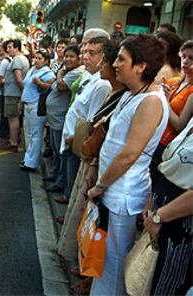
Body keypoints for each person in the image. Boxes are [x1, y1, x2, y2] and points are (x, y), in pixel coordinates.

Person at [86, 34, 168, 295]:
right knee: (105, 259)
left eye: (122, 59)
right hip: (113, 189)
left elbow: (129, 154)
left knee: (114, 263)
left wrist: (100, 185)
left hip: (123, 194)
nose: (116, 64)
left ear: (141, 66)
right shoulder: (132, 93)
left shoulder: (151, 101)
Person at [58, 40, 128, 295]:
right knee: (89, 225)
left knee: (102, 233)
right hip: (94, 164)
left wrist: (98, 176)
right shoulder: (111, 90)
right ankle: (85, 269)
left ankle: (89, 277)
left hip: (107, 176)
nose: (112, 66)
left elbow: (122, 147)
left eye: (119, 60)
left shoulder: (132, 97)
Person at [59, 34, 112, 204]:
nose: (85, 57)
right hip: (71, 137)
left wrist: (75, 139)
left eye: (92, 53)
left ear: (104, 57)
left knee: (76, 180)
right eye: (85, 52)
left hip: (77, 141)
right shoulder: (91, 77)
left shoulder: (103, 84)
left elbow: (92, 121)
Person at [143, 118, 193, 296]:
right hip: (162, 205)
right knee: (150, 274)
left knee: (168, 283)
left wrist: (158, 216)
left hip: (180, 222)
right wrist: (151, 202)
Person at [150, 40, 193, 187]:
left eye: (191, 58)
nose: (186, 61)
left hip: (167, 144)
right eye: (184, 56)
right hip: (154, 136)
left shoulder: (192, 90)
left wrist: (166, 102)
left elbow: (180, 125)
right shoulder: (174, 81)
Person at [43, 44, 84, 192]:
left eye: (71, 56)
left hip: (61, 119)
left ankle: (59, 182)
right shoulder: (68, 71)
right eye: (66, 56)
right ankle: (54, 175)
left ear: (79, 58)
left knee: (61, 153)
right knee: (55, 149)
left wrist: (59, 74)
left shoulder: (76, 72)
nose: (67, 59)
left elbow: (61, 86)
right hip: (54, 118)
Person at [18, 49, 55, 172]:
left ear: (46, 61)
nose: (37, 60)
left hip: (37, 106)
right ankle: (28, 158)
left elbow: (52, 87)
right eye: (36, 58)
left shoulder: (47, 73)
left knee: (36, 134)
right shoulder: (32, 70)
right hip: (28, 104)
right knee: (29, 134)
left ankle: (32, 163)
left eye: (40, 58)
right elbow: (26, 86)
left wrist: (40, 83)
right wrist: (21, 102)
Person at [2, 39, 30, 151]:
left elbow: (19, 80)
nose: (8, 50)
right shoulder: (22, 59)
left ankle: (13, 143)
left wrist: (24, 91)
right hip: (15, 93)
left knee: (12, 118)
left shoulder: (17, 60)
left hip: (13, 93)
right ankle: (13, 140)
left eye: (10, 47)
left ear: (17, 47)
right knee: (14, 118)